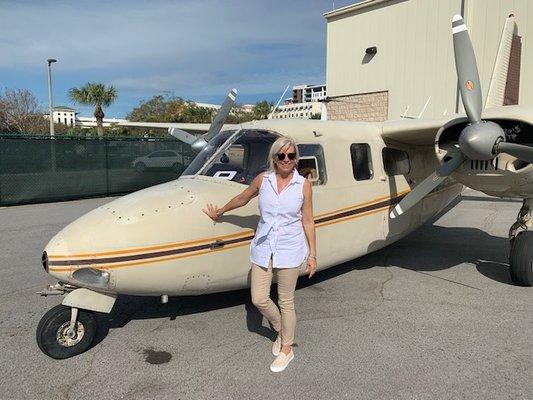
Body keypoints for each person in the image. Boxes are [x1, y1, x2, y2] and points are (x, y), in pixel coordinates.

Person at [203, 136, 317, 372]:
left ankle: (287, 349)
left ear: (296, 159)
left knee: (286, 301)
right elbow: (243, 198)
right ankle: (282, 331)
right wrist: (221, 212)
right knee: (259, 298)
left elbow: (307, 219)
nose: (286, 160)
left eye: (291, 156)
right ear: (274, 159)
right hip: (264, 247)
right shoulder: (263, 180)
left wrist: (313, 254)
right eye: (281, 156)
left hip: (290, 248)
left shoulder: (303, 185)